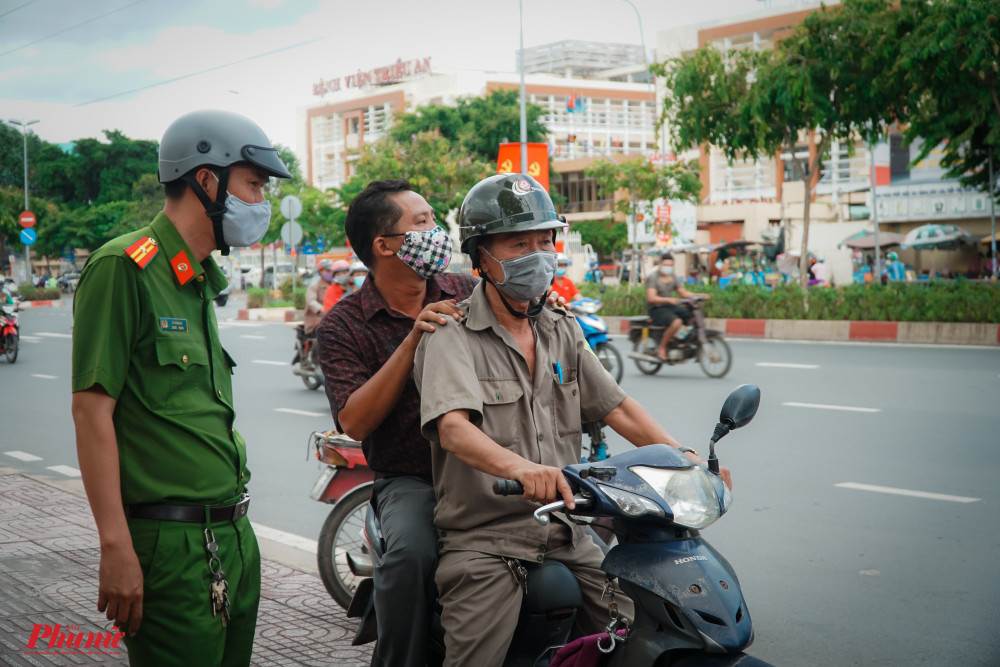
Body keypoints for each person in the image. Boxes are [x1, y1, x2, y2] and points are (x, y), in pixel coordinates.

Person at [413, 174, 731, 667]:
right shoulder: (450, 334)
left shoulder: (561, 327)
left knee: (637, 632)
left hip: (567, 531)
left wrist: (684, 458)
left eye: (545, 240)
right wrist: (523, 470)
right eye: (519, 243)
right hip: (486, 541)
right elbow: (454, 428)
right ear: (480, 257)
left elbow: (617, 407)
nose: (538, 254)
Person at [71, 110, 291, 666]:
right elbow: (91, 412)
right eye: (254, 184)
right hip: (169, 545)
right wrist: (115, 546)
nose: (260, 201)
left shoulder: (197, 280)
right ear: (207, 179)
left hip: (233, 535)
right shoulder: (124, 268)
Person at [316, 179, 478, 667]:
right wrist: (413, 340)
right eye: (423, 223)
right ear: (384, 246)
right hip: (411, 479)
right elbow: (356, 421)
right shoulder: (343, 325)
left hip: (491, 464)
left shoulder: (470, 291)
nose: (437, 231)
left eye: (434, 219)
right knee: (410, 559)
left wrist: (544, 307)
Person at [646, 252, 709, 362]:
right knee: (676, 322)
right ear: (660, 264)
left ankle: (679, 341)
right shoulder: (653, 277)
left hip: (669, 306)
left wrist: (699, 295)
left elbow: (683, 293)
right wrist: (668, 299)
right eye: (666, 265)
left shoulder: (672, 277)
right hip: (656, 308)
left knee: (691, 318)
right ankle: (662, 347)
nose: (668, 268)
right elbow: (651, 298)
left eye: (671, 265)